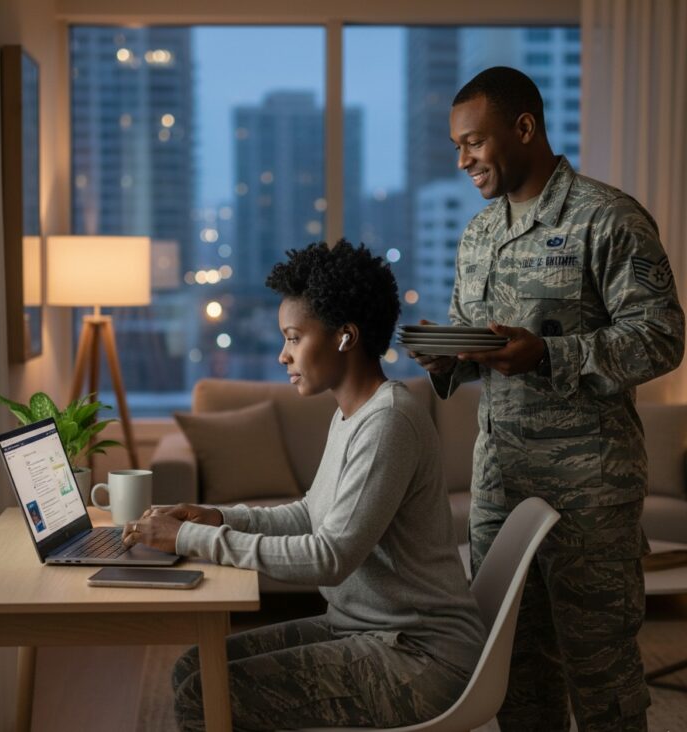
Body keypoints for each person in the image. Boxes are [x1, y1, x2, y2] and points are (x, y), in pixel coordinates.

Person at [410, 66, 685, 732]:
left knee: (601, 674)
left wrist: (550, 354)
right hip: (501, 485)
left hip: (589, 489)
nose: (463, 159)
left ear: (524, 127)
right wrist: (449, 357)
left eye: (474, 141)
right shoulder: (477, 235)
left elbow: (661, 338)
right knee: (514, 667)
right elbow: (474, 337)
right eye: (456, 146)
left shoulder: (607, 217)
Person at [124, 240, 485, 731]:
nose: (282, 355)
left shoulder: (389, 422)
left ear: (344, 337)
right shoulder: (351, 414)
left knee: (208, 695)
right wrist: (218, 516)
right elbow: (310, 513)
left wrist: (190, 540)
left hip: (419, 657)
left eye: (294, 338)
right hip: (366, 631)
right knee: (194, 666)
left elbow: (330, 557)